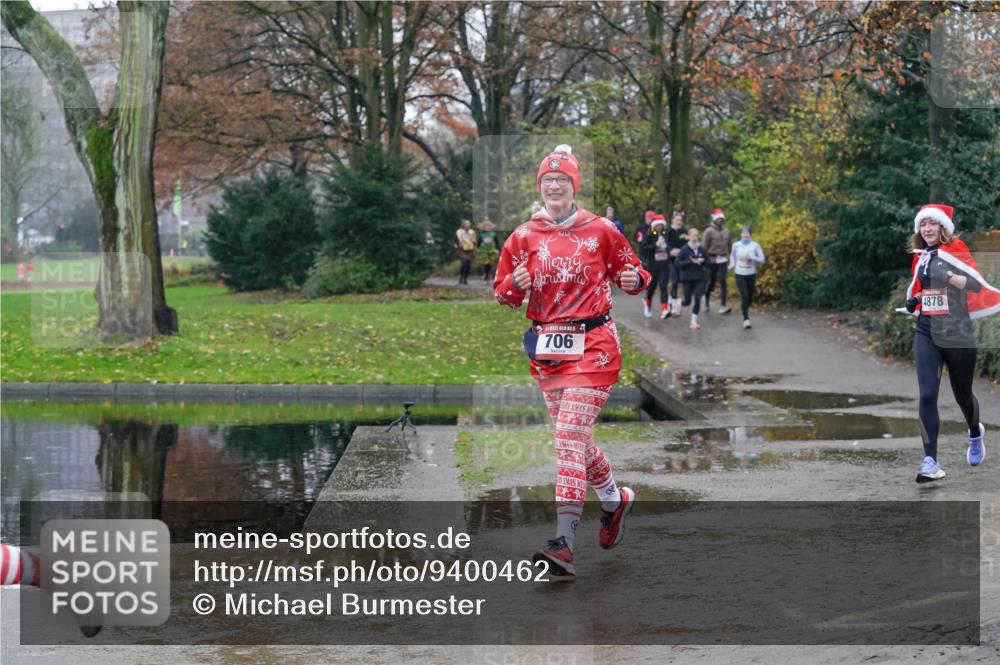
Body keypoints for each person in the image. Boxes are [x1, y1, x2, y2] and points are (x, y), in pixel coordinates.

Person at [493, 144, 650, 577]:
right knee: (577, 442)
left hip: (595, 346)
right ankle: (615, 502)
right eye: (548, 180)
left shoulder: (601, 230)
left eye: (562, 180)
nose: (555, 186)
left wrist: (635, 279)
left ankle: (563, 541)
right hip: (549, 353)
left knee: (566, 435)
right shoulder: (524, 236)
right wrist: (515, 284)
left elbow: (635, 273)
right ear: (540, 187)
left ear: (574, 186)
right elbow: (502, 292)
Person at [903, 204, 1000, 483]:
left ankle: (975, 432)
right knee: (927, 394)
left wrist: (946, 275)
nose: (927, 229)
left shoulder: (956, 249)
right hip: (927, 331)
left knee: (963, 395)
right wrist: (915, 300)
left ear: (942, 227)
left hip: (957, 332)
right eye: (923, 224)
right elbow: (924, 289)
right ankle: (930, 461)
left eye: (932, 223)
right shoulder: (921, 256)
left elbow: (974, 285)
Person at [729, 226, 766, 329]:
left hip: (751, 274)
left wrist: (753, 257)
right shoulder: (736, 245)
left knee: (749, 297)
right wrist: (731, 265)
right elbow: (732, 256)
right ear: (740, 234)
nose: (745, 235)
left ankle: (744, 308)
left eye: (747, 233)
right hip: (739, 273)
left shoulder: (755, 245)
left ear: (750, 234)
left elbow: (762, 259)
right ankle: (746, 319)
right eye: (743, 233)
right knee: (744, 295)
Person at [675, 227, 708, 329]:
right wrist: (688, 261)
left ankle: (694, 321)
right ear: (688, 237)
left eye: (696, 236)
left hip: (699, 277)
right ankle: (680, 303)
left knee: (698, 298)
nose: (695, 238)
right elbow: (677, 263)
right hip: (687, 278)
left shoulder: (702, 249)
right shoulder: (684, 249)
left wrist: (703, 261)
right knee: (687, 301)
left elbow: (708, 262)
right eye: (693, 236)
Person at [640, 214, 672, 318]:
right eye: (658, 225)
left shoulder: (665, 234)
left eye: (661, 225)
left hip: (664, 265)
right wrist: (655, 245)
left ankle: (665, 310)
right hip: (653, 265)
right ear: (654, 226)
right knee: (651, 288)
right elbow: (643, 248)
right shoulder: (649, 234)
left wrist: (669, 250)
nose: (659, 227)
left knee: (663, 286)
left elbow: (669, 246)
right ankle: (647, 303)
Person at [703, 208, 732, 314]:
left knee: (723, 280)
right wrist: (704, 260)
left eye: (722, 219)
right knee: (711, 281)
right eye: (718, 219)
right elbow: (704, 247)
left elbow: (730, 246)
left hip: (723, 259)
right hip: (711, 259)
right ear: (714, 219)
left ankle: (723, 305)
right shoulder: (708, 231)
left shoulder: (727, 231)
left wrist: (731, 258)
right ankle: (706, 299)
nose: (720, 220)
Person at [666, 210, 688, 316]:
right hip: (671, 260)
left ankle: (671, 299)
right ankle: (673, 304)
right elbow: (665, 243)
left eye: (680, 220)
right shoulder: (668, 231)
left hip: (681, 259)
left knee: (681, 281)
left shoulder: (684, 231)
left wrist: (682, 250)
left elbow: (687, 243)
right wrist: (670, 250)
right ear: (673, 220)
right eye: (677, 220)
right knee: (674, 281)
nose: (679, 222)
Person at [455, 219, 477, 285]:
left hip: (470, 251)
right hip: (462, 250)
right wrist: (457, 246)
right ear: (463, 225)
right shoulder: (459, 232)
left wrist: (475, 242)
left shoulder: (472, 232)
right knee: (463, 264)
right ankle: (461, 276)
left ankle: (465, 279)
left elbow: (474, 240)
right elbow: (455, 241)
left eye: (469, 224)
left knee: (468, 265)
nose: (467, 225)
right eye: (466, 224)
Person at [477, 217, 500, 281]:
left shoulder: (494, 234)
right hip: (484, 250)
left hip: (492, 250)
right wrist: (478, 248)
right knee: (486, 263)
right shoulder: (481, 234)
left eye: (489, 226)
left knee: (490, 263)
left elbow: (496, 242)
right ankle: (486, 275)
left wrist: (497, 249)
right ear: (484, 227)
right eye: (486, 227)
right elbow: (479, 242)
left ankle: (488, 273)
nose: (488, 228)